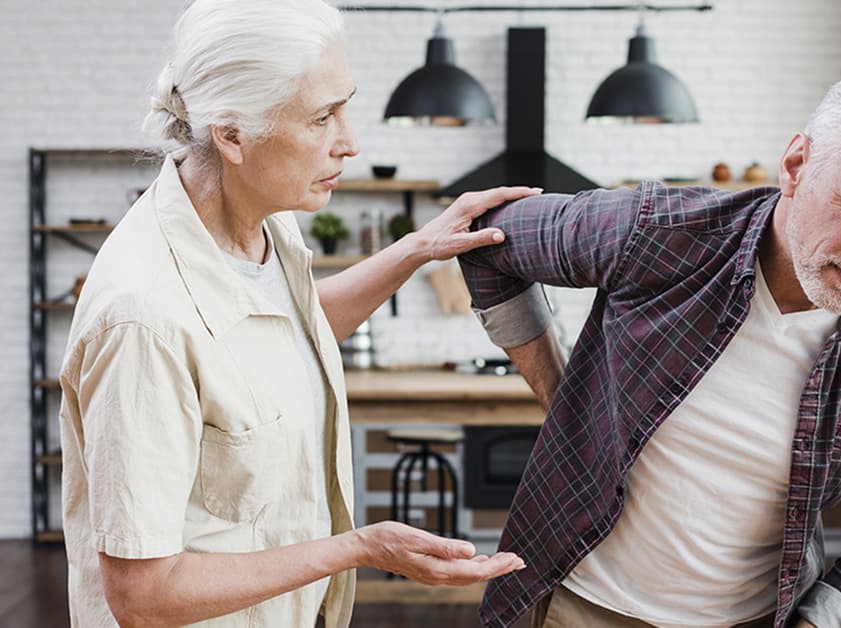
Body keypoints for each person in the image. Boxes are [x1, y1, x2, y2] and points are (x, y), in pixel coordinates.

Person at [57, 1, 534, 626]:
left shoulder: (261, 222)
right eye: (321, 118)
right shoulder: (143, 319)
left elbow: (289, 333)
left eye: (345, 104)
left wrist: (420, 247)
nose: (350, 142)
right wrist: (358, 548)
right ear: (231, 136)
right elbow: (144, 595)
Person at [458, 74, 841, 628]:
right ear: (797, 165)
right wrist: (559, 394)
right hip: (574, 604)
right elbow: (483, 238)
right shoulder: (660, 231)